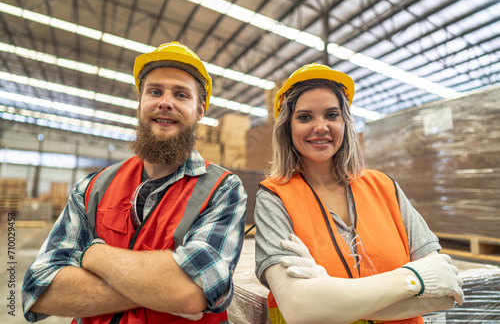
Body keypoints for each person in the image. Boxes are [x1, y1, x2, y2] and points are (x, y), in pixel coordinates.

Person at [22, 41, 248, 324]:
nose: (166, 102)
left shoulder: (223, 189)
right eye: (155, 91)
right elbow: (38, 290)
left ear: (200, 111)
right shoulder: (92, 189)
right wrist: (162, 287)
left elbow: (191, 292)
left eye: (180, 94)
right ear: (141, 103)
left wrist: (93, 255)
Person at [254, 63, 464, 324]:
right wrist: (415, 280)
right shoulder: (274, 197)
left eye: (332, 115)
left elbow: (445, 292)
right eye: (305, 117)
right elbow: (300, 310)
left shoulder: (385, 188)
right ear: (287, 127)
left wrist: (328, 294)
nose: (321, 127)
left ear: (345, 123)